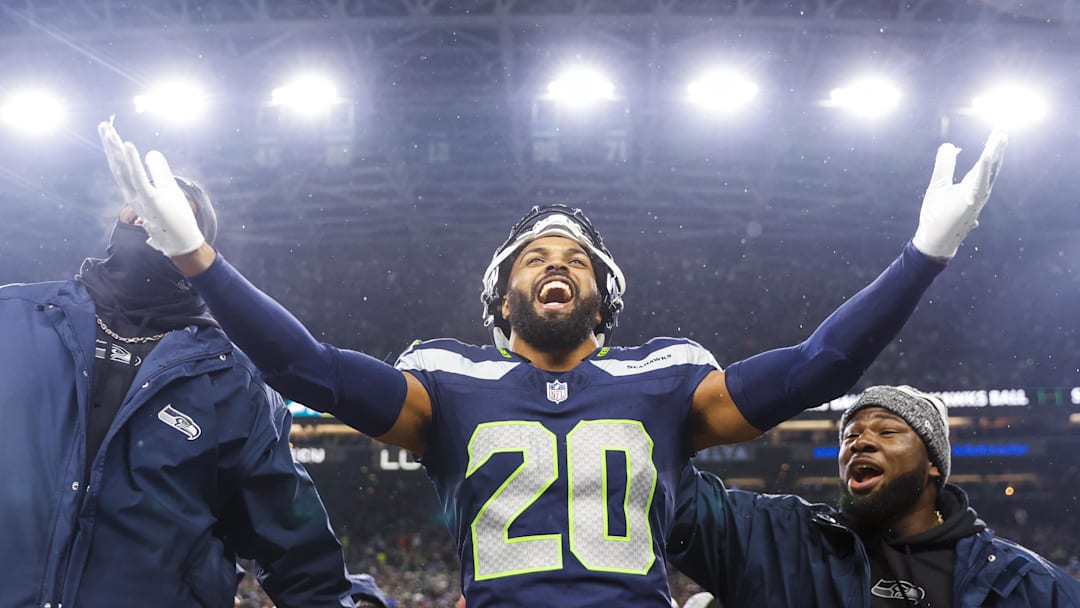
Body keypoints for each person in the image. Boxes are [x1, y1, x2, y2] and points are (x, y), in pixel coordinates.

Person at [98, 120, 1006, 606]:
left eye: (574, 255)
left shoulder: (668, 379)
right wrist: (199, 262)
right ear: (501, 299)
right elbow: (307, 366)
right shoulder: (446, 385)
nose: (556, 260)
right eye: (535, 255)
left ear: (605, 300)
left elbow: (816, 365)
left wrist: (921, 255)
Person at [0, 171, 379, 607]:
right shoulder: (12, 318)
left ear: (196, 244)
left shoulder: (234, 382)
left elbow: (302, 559)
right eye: (139, 205)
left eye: (178, 209)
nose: (151, 214)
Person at [668, 385, 1080, 607]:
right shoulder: (782, 540)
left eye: (886, 431)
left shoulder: (1026, 583)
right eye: (850, 436)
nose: (859, 443)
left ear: (933, 463)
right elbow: (669, 494)